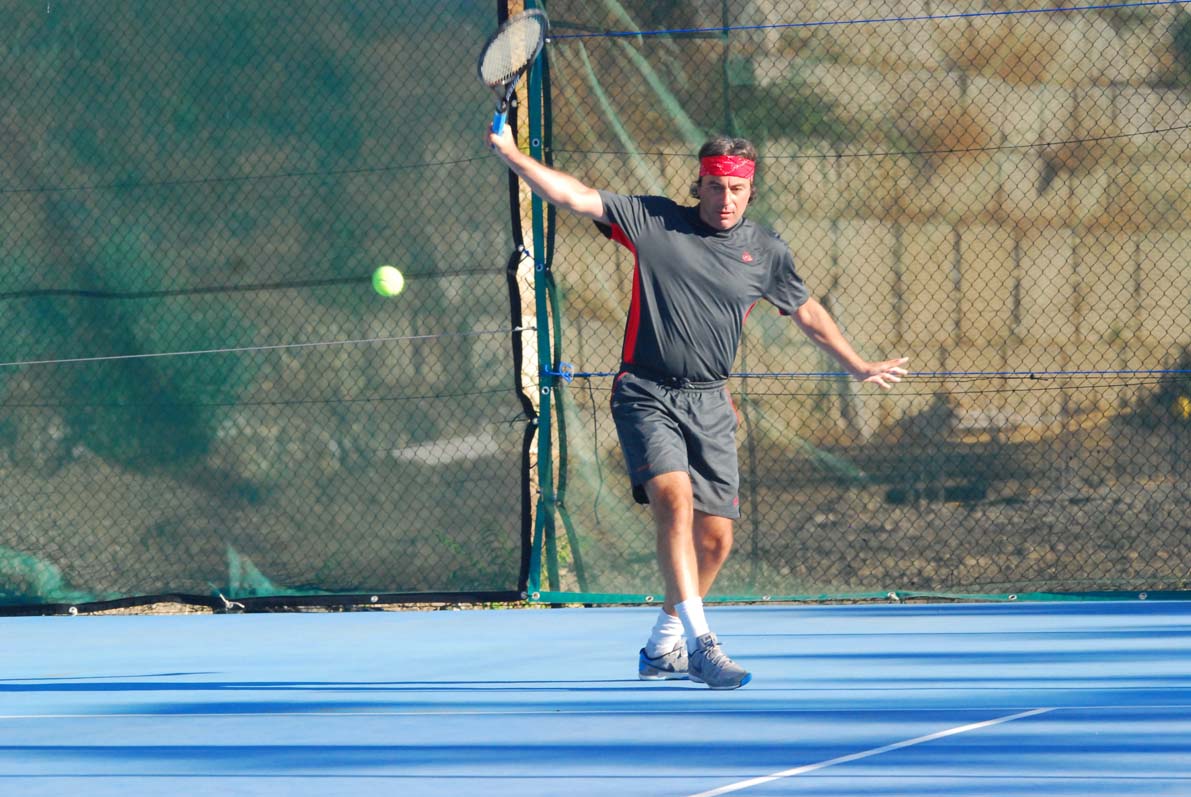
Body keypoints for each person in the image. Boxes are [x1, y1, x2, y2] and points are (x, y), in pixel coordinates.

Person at [488, 126, 908, 689]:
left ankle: (661, 646)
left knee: (716, 541)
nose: (725, 199)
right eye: (715, 187)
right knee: (673, 500)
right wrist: (513, 155)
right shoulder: (655, 222)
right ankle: (702, 645)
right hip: (645, 392)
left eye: (736, 189)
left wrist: (856, 364)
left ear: (750, 191)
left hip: (711, 402)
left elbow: (806, 311)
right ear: (700, 185)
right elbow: (575, 196)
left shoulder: (767, 252)